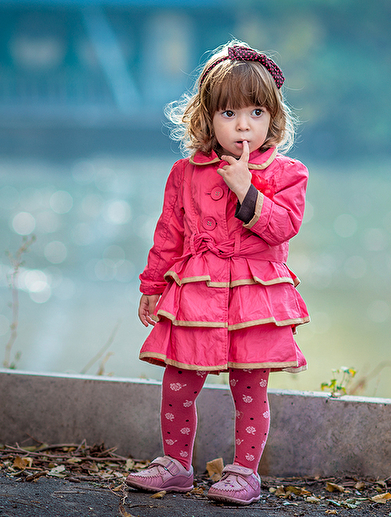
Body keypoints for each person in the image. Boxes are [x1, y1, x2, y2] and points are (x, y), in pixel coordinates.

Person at [125, 40, 310, 505]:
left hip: (256, 296)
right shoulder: (185, 172)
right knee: (178, 382)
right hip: (196, 291)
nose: (243, 125)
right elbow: (169, 233)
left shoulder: (288, 173)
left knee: (249, 390)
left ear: (273, 116)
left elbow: (284, 227)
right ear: (207, 118)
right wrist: (152, 285)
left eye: (256, 112)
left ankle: (245, 472)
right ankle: (175, 465)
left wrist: (247, 189)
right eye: (229, 113)